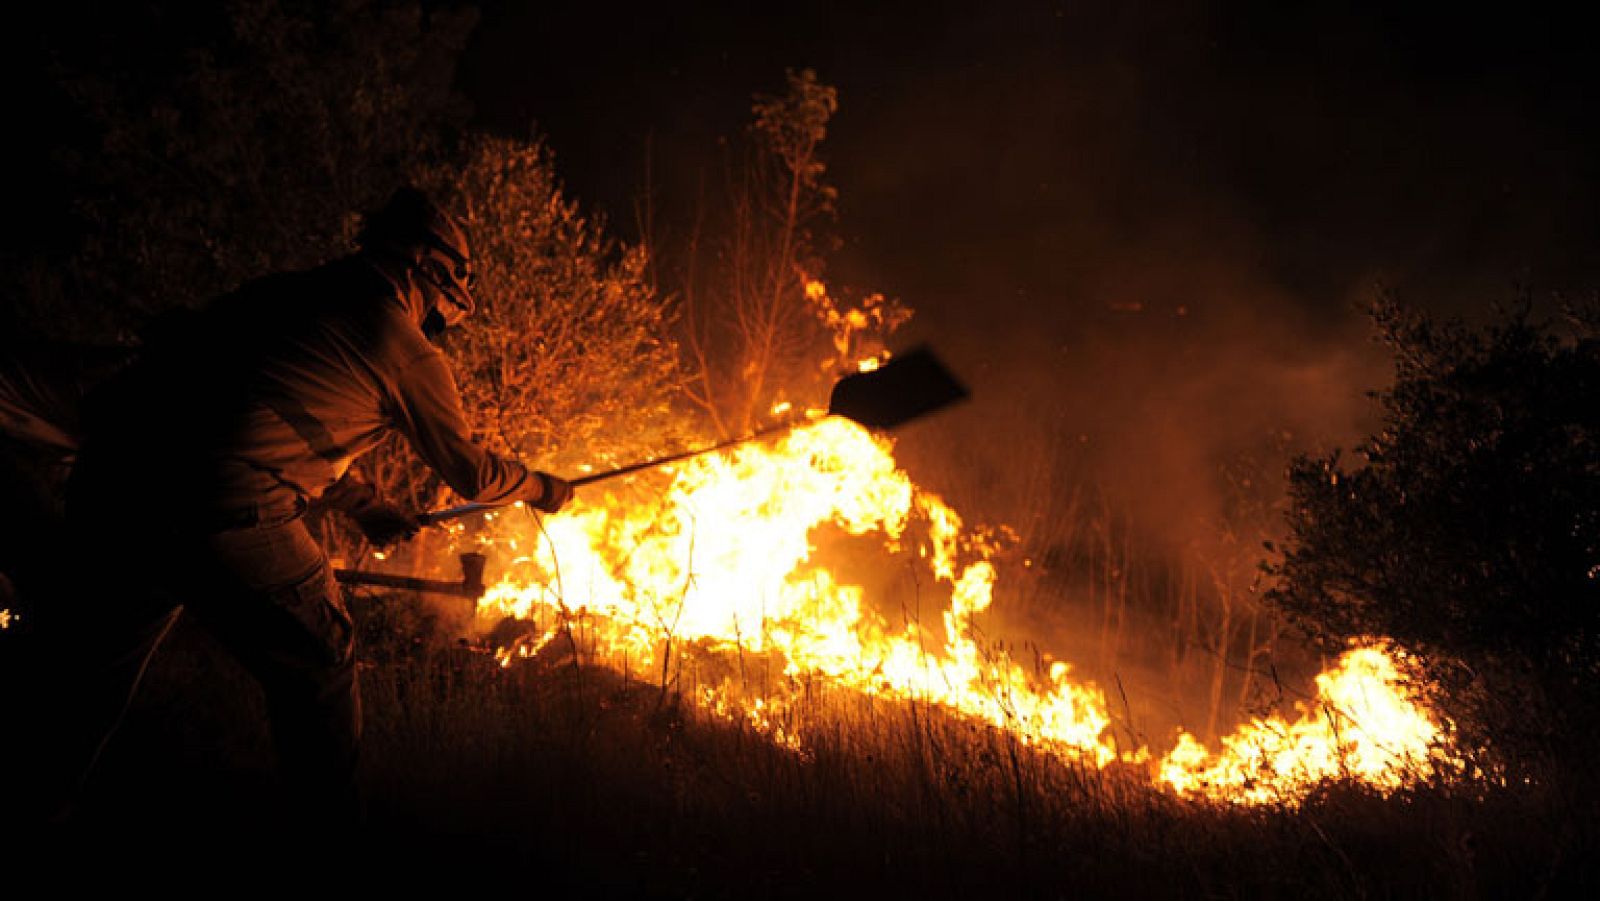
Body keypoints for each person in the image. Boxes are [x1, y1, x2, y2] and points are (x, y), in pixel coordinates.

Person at [22, 187, 571, 824]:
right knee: (321, 654)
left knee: (84, 682)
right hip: (223, 510)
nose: (451, 302)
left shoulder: (285, 295)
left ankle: (30, 810)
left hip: (120, 485)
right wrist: (543, 488)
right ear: (423, 262)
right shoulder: (401, 344)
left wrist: (364, 506)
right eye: (454, 279)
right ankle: (326, 852)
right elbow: (472, 472)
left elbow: (249, 418)